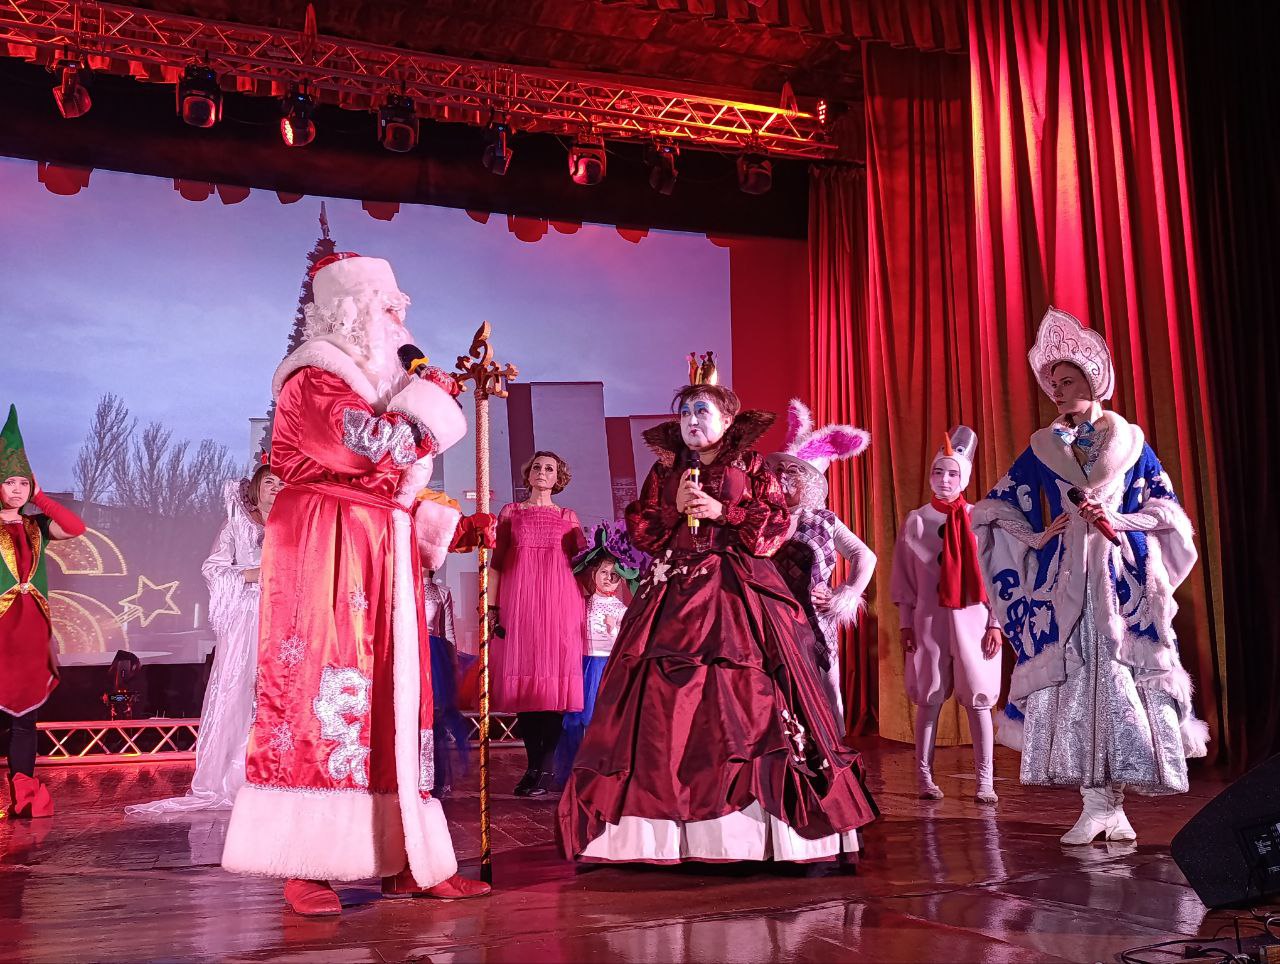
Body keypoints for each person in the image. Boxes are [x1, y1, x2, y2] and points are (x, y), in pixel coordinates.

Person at [220, 252, 493, 915]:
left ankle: (406, 859)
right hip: (325, 544)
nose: (401, 321)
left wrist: (452, 528)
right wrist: (431, 410)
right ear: (350, 313)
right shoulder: (312, 379)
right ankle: (306, 863)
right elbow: (364, 448)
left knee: (396, 700)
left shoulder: (382, 388)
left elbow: (388, 489)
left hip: (382, 548)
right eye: (388, 308)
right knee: (323, 687)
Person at [557, 361, 877, 865]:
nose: (691, 420)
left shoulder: (752, 467)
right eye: (685, 412)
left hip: (736, 592)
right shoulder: (666, 469)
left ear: (727, 420)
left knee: (747, 697)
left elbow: (774, 527)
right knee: (660, 703)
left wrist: (723, 512)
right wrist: (672, 509)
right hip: (672, 592)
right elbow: (643, 531)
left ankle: (752, 830)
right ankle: (656, 833)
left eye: (701, 410)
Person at [972, 307, 1209, 844]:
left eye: (1067, 381)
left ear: (1092, 381)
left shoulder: (1132, 445)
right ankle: (1093, 804)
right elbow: (999, 505)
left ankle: (1114, 805)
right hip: (1064, 585)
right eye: (1053, 383)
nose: (1057, 391)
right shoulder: (1042, 448)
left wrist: (1117, 520)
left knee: (1122, 686)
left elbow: (1165, 510)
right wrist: (1038, 536)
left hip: (1121, 583)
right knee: (1076, 687)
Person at [128, 464, 284, 815]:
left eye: (281, 482)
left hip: (283, 615)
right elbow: (213, 568)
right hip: (247, 617)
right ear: (255, 488)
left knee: (275, 691)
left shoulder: (293, 526)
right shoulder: (237, 525)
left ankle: (273, 771)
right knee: (240, 688)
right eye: (269, 482)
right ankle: (232, 774)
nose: (276, 487)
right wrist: (252, 574)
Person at [891, 427, 1003, 804]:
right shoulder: (917, 521)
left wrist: (996, 623)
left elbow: (997, 574)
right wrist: (905, 623)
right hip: (929, 620)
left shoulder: (980, 519)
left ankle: (985, 781)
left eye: (952, 473)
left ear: (964, 478)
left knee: (979, 698)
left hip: (974, 619)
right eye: (938, 472)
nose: (944, 479)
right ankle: (924, 777)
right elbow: (904, 578)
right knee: (929, 696)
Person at [765, 399, 875, 725]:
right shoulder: (763, 521)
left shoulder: (824, 521)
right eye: (780, 471)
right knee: (777, 693)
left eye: (793, 471)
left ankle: (834, 751)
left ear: (809, 481)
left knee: (826, 690)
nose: (784, 478)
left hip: (815, 619)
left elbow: (864, 555)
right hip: (774, 618)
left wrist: (846, 593)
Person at [0, 404, 86, 818]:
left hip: (30, 633)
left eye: (23, 482)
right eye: (9, 482)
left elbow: (76, 528)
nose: (16, 489)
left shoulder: (35, 527)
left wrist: (41, 498)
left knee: (24, 719)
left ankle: (24, 796)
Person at [490, 451, 587, 798]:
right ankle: (532, 767)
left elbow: (583, 565)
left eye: (549, 468)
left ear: (558, 477)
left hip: (561, 606)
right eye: (536, 467)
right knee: (527, 689)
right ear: (528, 474)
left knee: (553, 689)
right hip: (521, 605)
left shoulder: (567, 516)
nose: (542, 472)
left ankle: (546, 768)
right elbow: (496, 563)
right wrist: (491, 607)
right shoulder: (510, 512)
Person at [552, 520, 644, 786]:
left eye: (614, 574)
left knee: (606, 719)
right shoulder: (584, 604)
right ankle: (577, 770)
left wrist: (614, 629)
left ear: (621, 579)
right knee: (579, 719)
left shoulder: (622, 610)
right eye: (603, 572)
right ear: (593, 574)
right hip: (586, 666)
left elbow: (625, 643)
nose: (608, 578)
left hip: (610, 668)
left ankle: (604, 771)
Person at [422, 566, 469, 797]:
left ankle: (434, 776)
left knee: (434, 717)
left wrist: (453, 665)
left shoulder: (442, 592)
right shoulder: (401, 587)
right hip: (409, 653)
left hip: (434, 655)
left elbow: (448, 631)